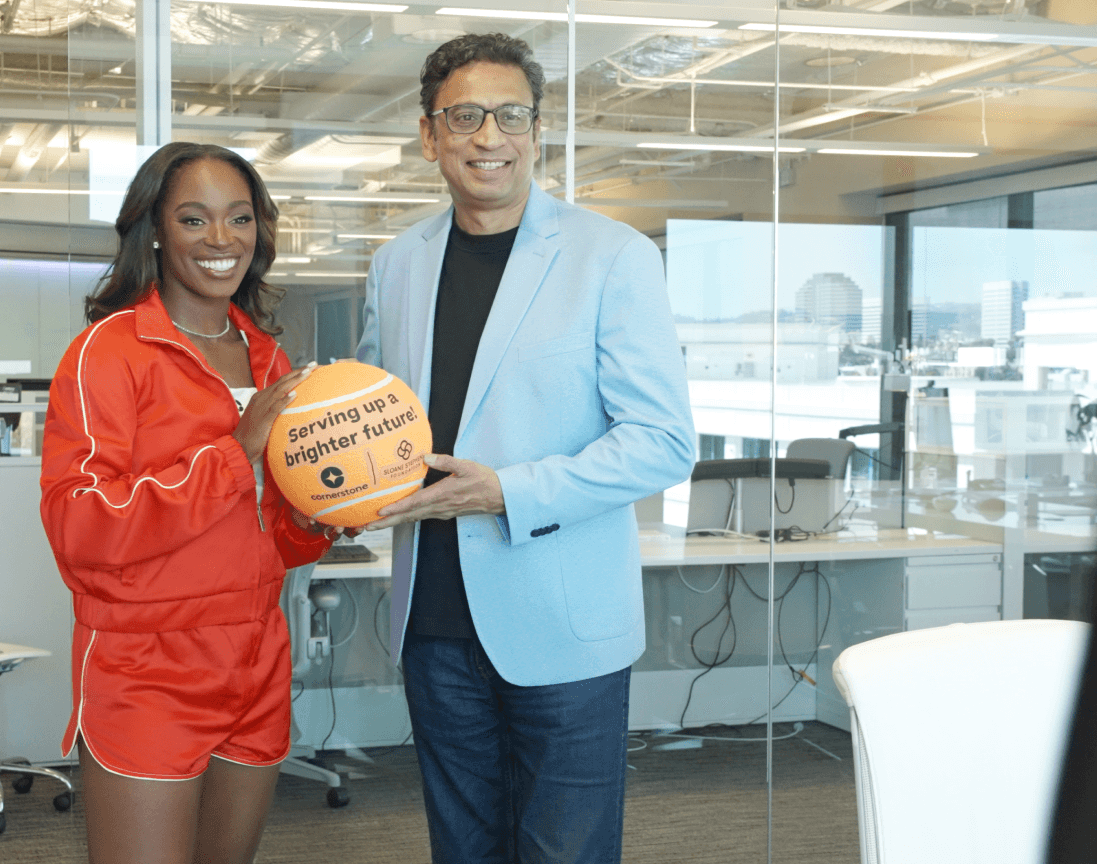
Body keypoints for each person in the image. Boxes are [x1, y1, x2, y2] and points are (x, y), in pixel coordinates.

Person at [354, 33, 696, 864]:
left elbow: (662, 441)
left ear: (537, 132)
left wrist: (507, 491)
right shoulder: (396, 265)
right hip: (433, 622)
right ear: (429, 135)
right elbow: (376, 418)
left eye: (511, 115)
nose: (489, 136)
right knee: (462, 850)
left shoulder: (611, 256)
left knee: (563, 853)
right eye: (464, 116)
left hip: (563, 622)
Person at [39, 142, 341, 864]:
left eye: (239, 218)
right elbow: (81, 526)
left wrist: (320, 516)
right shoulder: (109, 352)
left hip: (257, 654)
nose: (220, 239)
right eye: (194, 219)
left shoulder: (268, 357)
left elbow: (273, 536)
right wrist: (235, 451)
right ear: (154, 230)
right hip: (148, 664)